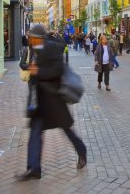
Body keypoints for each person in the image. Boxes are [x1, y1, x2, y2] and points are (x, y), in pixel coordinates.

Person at [17, 24, 87, 181]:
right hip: (39, 101)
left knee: (67, 129)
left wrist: (38, 71)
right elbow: (31, 69)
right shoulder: (33, 48)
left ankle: (82, 150)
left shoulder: (52, 47)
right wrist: (29, 68)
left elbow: (57, 70)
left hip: (54, 100)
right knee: (35, 133)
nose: (30, 38)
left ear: (38, 37)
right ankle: (34, 169)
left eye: (32, 36)